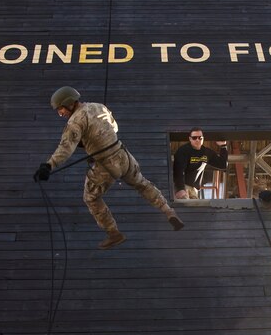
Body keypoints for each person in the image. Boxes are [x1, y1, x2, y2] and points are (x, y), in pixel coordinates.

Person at [33, 86, 184, 249]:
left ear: (69, 103)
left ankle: (114, 234)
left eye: (60, 108)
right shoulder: (99, 106)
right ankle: (169, 212)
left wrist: (48, 165)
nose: (60, 113)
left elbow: (65, 148)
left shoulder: (75, 121)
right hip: (123, 155)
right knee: (142, 184)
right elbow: (114, 128)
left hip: (105, 164)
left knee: (90, 198)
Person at [173, 129, 228, 200]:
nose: (197, 140)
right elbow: (178, 170)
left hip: (194, 188)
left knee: (196, 210)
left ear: (203, 139)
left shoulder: (206, 152)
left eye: (200, 138)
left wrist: (223, 146)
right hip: (183, 186)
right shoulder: (183, 151)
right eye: (194, 138)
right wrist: (180, 188)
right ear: (190, 139)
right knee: (184, 208)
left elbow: (222, 165)